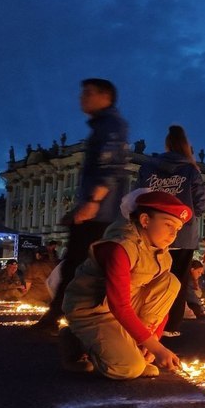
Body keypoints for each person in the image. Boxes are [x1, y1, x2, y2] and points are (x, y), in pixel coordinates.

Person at [61, 191, 192, 379]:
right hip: (92, 310)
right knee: (128, 368)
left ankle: (131, 350)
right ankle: (75, 342)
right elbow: (119, 305)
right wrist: (157, 349)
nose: (173, 234)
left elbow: (162, 303)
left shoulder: (163, 255)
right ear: (145, 220)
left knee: (171, 282)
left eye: (178, 229)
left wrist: (153, 340)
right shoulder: (119, 247)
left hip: (122, 307)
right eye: (168, 224)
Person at [33, 78, 129, 332]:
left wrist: (93, 202)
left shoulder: (110, 125)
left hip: (99, 214)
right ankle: (67, 319)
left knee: (78, 265)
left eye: (88, 93)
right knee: (78, 264)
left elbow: (109, 167)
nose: (81, 98)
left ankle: (61, 320)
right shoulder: (104, 125)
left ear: (105, 96)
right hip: (95, 211)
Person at [137, 125, 205, 337]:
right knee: (177, 281)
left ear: (167, 145)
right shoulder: (190, 170)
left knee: (148, 277)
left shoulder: (148, 167)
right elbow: (201, 203)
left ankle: (144, 322)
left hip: (151, 232)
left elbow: (137, 196)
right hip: (183, 234)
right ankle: (170, 326)